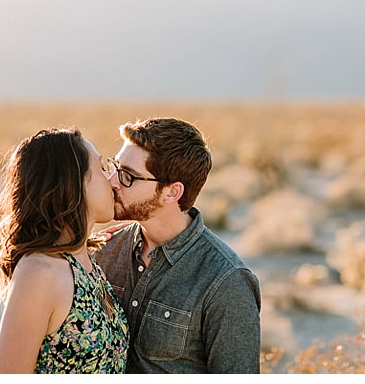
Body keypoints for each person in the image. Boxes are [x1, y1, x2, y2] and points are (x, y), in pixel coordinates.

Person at [96, 117, 262, 373]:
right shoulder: (103, 250)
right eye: (115, 167)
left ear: (172, 192)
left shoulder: (226, 282)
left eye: (128, 176)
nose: (113, 182)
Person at [0, 127, 129, 373]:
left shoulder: (87, 263)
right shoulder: (40, 272)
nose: (113, 181)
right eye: (102, 169)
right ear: (72, 182)